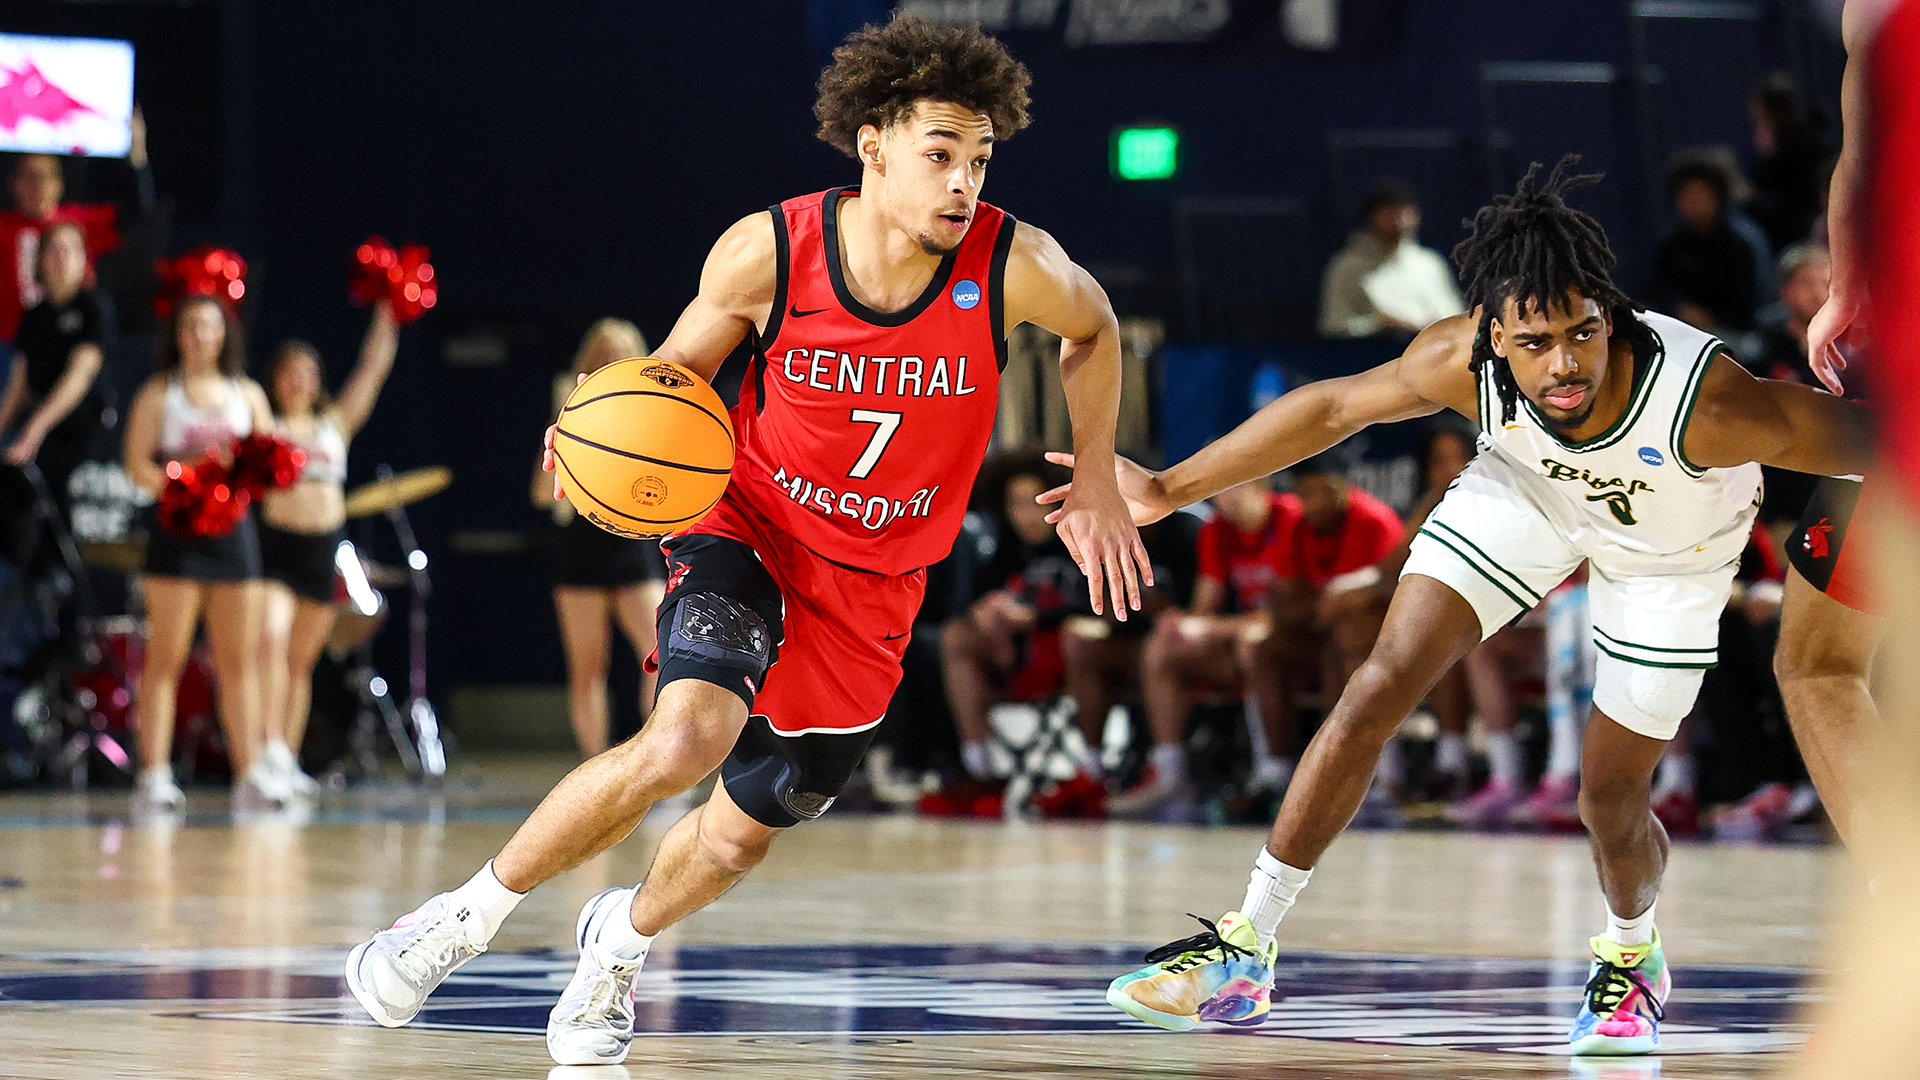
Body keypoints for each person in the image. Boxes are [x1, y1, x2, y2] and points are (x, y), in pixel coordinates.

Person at [343, 16, 1148, 1068]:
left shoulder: (1012, 263)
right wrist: (604, 425)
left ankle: (617, 945)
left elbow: (1096, 332)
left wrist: (1095, 473)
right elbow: (675, 373)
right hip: (750, 531)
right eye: (939, 153)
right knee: (686, 738)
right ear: (874, 144)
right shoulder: (771, 249)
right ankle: (458, 921)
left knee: (747, 825)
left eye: (979, 158)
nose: (962, 181)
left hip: (880, 582)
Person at [1062, 159, 1871, 1053]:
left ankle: (1632, 958)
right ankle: (1244, 951)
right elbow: (1333, 407)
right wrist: (1172, 487)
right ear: (1493, 335)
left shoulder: (1707, 404)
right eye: (1534, 343)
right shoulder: (1459, 356)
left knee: (1608, 796)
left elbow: (1880, 440)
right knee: (1378, 683)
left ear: (1612, 317)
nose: (1563, 365)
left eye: (1582, 333)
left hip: (1670, 551)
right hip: (1526, 494)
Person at [121, 294, 282, 811]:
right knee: (164, 659)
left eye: (209, 326)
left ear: (224, 334)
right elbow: (135, 464)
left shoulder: (246, 392)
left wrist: (234, 480)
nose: (200, 336)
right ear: (178, 335)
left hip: (234, 537)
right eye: (190, 326)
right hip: (178, 535)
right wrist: (181, 484)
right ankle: (156, 774)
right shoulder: (158, 394)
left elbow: (268, 458)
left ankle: (250, 771)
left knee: (239, 662)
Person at [255, 299, 400, 798]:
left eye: (307, 374)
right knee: (270, 642)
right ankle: (266, 751)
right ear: (276, 380)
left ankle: (285, 760)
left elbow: (372, 370)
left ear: (317, 381)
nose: (298, 381)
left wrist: (389, 313)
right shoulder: (264, 425)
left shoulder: (333, 425)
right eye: (289, 373)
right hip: (276, 550)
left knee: (301, 662)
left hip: (321, 550)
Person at [1109, 477, 1301, 817]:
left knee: (1254, 646)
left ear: (1261, 485)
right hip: (1239, 640)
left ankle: (1274, 773)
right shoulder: (1216, 529)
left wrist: (1212, 627)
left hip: (1291, 642)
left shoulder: (1290, 519)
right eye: (1222, 487)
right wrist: (1184, 625)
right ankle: (1170, 772)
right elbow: (1205, 607)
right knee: (1163, 646)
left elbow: (1283, 616)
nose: (1225, 496)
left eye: (1235, 484)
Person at [531, 319, 669, 759]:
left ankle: (653, 758)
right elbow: (539, 492)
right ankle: (595, 766)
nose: (611, 359)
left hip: (632, 544)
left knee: (664, 652)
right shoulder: (569, 414)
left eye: (621, 351)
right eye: (603, 352)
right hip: (580, 547)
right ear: (589, 360)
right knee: (588, 668)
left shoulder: (654, 415)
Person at [0, 220, 110, 554]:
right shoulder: (34, 317)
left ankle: (64, 587)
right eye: (54, 249)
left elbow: (79, 377)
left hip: (78, 427)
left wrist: (33, 432)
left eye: (71, 250)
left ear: (83, 259)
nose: (62, 258)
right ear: (40, 259)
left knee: (41, 484)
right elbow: (18, 384)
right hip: (35, 428)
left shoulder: (93, 309)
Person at [1, 114, 154, 344]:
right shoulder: (4, 226)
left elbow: (135, 212)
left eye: (44, 177)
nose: (37, 186)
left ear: (59, 184)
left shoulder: (76, 222)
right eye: (29, 177)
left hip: (71, 336)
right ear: (13, 183)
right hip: (11, 342)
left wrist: (138, 157)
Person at [1318, 180, 1465, 339]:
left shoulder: (1429, 262)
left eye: (1405, 208)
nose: (1399, 215)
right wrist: (1380, 326)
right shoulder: (1347, 266)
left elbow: (1456, 317)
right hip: (1378, 355)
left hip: (1435, 353)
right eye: (1389, 208)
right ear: (1372, 215)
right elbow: (1334, 325)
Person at [1648, 151, 1764, 333]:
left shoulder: (1742, 243)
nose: (1694, 202)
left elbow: (1753, 305)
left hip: (1739, 338)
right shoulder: (1671, 247)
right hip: (1681, 335)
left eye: (1701, 193)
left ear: (1719, 196)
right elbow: (1656, 294)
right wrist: (1680, 310)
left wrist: (1712, 320)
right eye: (1686, 194)